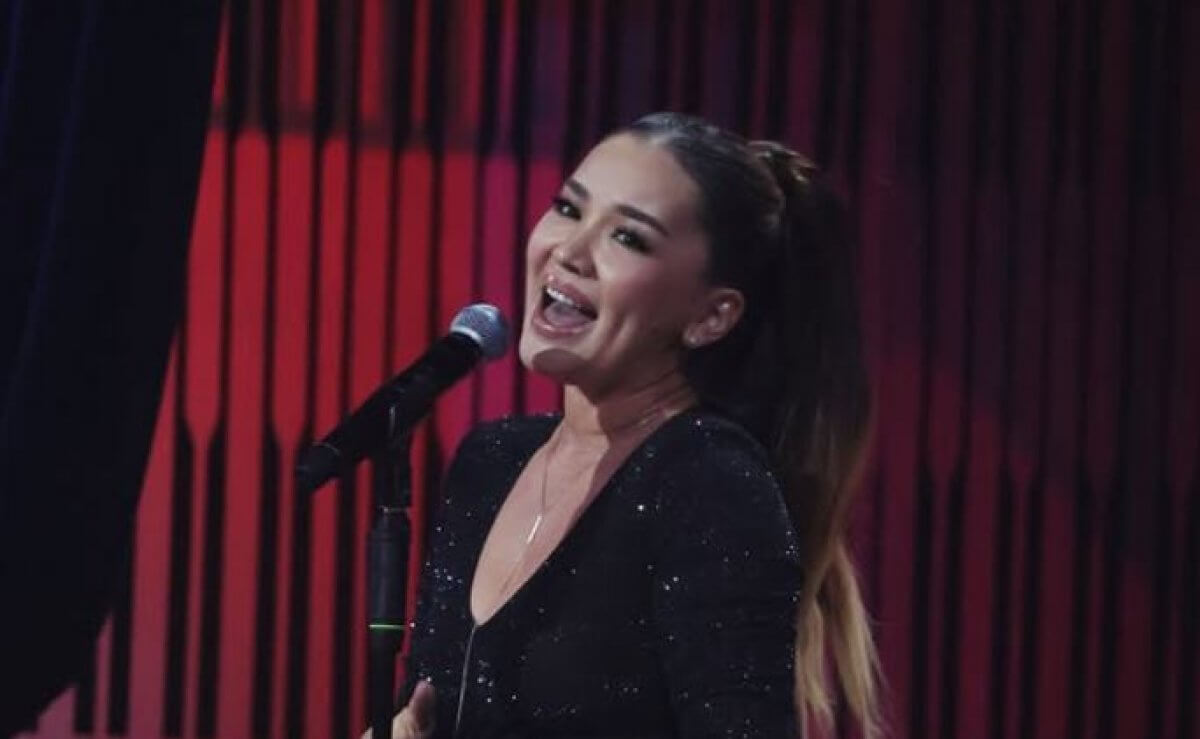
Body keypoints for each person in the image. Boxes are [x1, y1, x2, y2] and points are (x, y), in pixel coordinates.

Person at [372, 112, 880, 738]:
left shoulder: (706, 482)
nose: (569, 251)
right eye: (568, 208)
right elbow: (423, 711)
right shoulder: (491, 461)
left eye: (628, 238)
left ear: (711, 317)